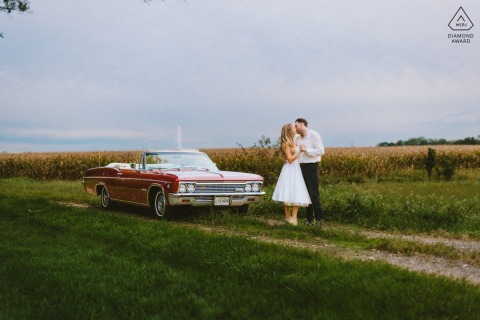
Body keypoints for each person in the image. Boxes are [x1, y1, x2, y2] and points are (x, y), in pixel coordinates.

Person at [272, 124, 311, 225]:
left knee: (296, 190)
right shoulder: (286, 143)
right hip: (290, 169)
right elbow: (289, 159)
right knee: (288, 190)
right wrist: (300, 152)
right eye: (294, 127)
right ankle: (288, 217)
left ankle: (294, 218)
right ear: (289, 130)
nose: (296, 128)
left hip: (296, 168)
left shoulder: (294, 142)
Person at [294, 118, 325, 225]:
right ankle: (309, 219)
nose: (295, 128)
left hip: (311, 167)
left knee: (314, 194)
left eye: (296, 126)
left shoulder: (314, 135)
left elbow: (321, 151)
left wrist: (306, 150)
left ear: (302, 124)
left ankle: (319, 220)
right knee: (305, 194)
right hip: (300, 168)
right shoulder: (296, 138)